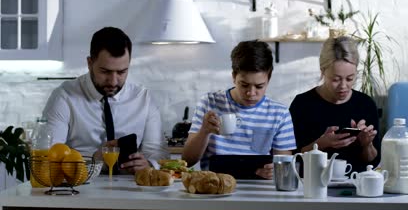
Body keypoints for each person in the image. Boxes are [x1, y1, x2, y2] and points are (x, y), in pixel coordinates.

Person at [42, 26, 169, 173]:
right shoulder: (65, 97)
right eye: (105, 71)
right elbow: (49, 156)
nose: (113, 81)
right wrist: (94, 160)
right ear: (90, 64)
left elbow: (159, 155)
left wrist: (149, 164)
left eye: (121, 72)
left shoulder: (143, 99)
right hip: (79, 187)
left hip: (131, 189)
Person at [182, 40, 296, 179]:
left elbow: (284, 169)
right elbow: (187, 161)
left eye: (259, 86)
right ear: (234, 76)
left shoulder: (279, 114)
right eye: (244, 85)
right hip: (214, 188)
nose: (251, 93)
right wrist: (204, 132)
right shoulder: (209, 103)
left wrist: (276, 170)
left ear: (269, 78)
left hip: (260, 190)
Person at [289, 36, 380, 173]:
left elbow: (372, 161)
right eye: (335, 79)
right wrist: (321, 144)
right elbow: (291, 158)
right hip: (313, 184)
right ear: (322, 70)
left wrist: (366, 144)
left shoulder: (365, 104)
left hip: (354, 186)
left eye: (350, 79)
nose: (343, 86)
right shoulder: (303, 104)